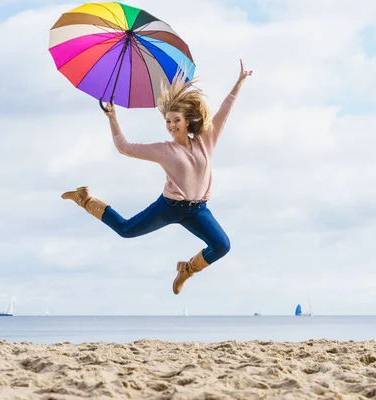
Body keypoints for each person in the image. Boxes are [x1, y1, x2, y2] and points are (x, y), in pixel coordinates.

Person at [61, 59, 253, 295]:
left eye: (176, 121)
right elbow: (124, 147)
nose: (171, 126)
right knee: (126, 230)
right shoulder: (164, 150)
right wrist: (112, 117)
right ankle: (85, 199)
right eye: (168, 121)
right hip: (169, 207)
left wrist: (240, 80)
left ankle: (187, 270)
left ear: (187, 121)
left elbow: (225, 110)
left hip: (198, 210)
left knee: (222, 246)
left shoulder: (206, 140)